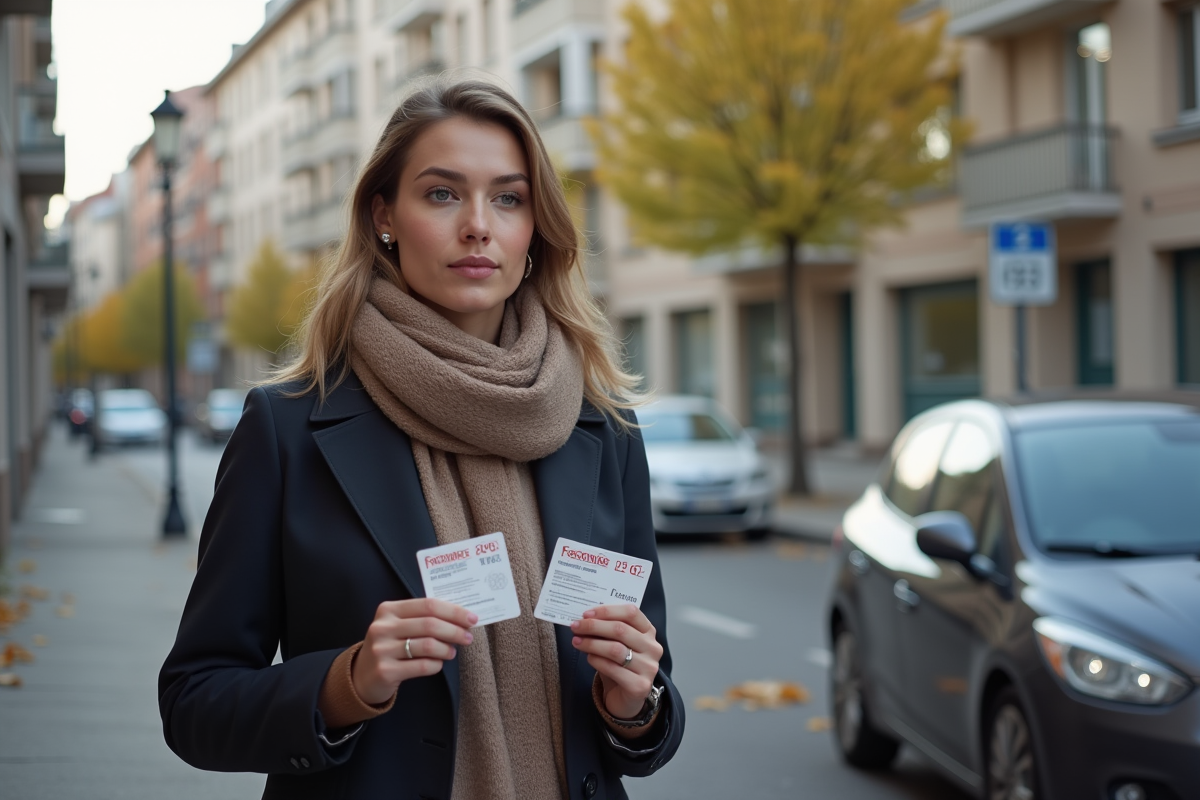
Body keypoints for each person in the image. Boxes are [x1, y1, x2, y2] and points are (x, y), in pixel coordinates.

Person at [158, 78, 684, 800]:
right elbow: (194, 703)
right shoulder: (288, 430)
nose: (478, 225)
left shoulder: (602, 429)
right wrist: (348, 682)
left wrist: (634, 704)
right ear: (384, 216)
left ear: (536, 227)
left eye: (509, 197)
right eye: (442, 194)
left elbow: (649, 710)